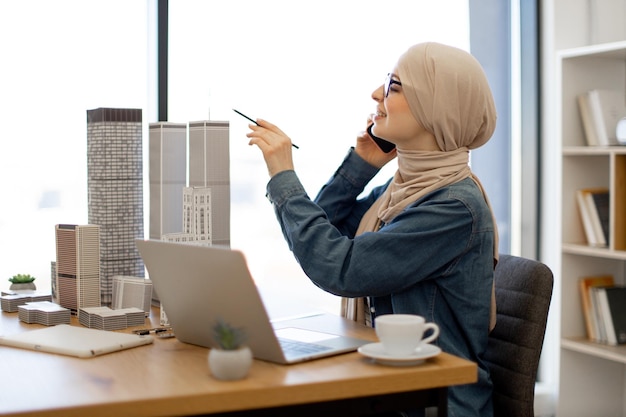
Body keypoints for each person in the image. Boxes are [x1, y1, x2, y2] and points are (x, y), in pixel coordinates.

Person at [246, 42, 498, 417]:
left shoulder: (452, 207)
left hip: (431, 403)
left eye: (394, 86)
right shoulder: (404, 188)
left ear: (435, 109)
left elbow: (338, 267)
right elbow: (324, 232)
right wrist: (362, 164)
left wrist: (284, 174)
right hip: (393, 388)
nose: (376, 94)